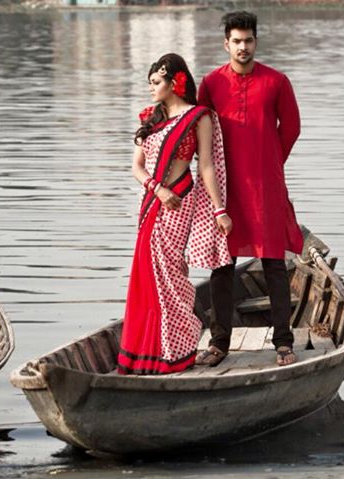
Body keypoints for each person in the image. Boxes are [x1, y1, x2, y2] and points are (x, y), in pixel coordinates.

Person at [196, 11, 304, 367]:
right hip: (225, 191)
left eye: (249, 41)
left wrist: (269, 163)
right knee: (222, 265)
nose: (243, 47)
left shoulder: (276, 82)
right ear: (226, 43)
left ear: (256, 42)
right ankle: (219, 343)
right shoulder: (211, 84)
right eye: (236, 41)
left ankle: (284, 343)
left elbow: (290, 128)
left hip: (265, 189)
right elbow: (200, 135)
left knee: (273, 263)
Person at [117, 53, 233, 375]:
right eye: (151, 83)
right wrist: (157, 189)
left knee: (171, 275)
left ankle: (177, 349)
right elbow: (136, 168)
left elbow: (206, 165)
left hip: (181, 204)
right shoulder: (150, 117)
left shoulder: (199, 118)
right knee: (148, 280)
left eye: (156, 82)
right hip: (154, 204)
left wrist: (220, 210)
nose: (152, 88)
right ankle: (148, 352)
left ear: (175, 81)